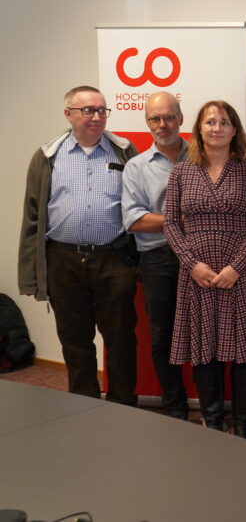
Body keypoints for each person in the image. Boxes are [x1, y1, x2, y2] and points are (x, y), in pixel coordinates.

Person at [19, 86, 139, 405]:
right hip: (63, 260)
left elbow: (141, 205)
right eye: (87, 110)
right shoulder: (47, 157)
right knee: (75, 341)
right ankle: (83, 404)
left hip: (113, 258)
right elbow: (33, 216)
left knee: (121, 338)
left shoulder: (125, 152)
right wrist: (31, 273)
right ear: (68, 114)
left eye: (101, 110)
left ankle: (124, 404)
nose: (96, 117)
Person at [164, 100, 246, 438]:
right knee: (203, 349)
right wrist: (192, 265)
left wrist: (236, 267)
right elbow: (169, 224)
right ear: (199, 129)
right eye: (210, 122)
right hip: (198, 277)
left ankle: (242, 428)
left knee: (243, 353)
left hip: (241, 276)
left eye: (224, 122)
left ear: (235, 130)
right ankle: (213, 424)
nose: (217, 128)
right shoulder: (181, 171)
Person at [122, 91, 190, 420]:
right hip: (158, 261)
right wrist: (182, 221)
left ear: (181, 118)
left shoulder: (204, 158)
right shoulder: (135, 167)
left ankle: (212, 409)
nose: (162, 125)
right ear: (147, 122)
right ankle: (175, 409)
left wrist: (164, 221)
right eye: (155, 119)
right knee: (162, 337)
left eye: (168, 117)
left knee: (208, 332)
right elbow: (134, 220)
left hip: (203, 258)